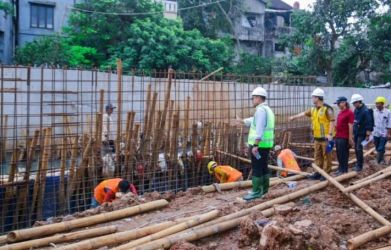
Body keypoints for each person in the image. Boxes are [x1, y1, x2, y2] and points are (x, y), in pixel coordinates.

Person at [289, 88, 335, 180]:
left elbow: (332, 121)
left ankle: (325, 174)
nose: (312, 99)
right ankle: (318, 172)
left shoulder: (327, 109)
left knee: (326, 156)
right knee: (317, 156)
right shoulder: (313, 109)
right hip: (317, 138)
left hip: (326, 138)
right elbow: (304, 113)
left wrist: (330, 134)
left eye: (313, 97)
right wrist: (294, 117)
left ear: (318, 98)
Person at [238, 87, 275, 201]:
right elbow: (254, 120)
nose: (252, 100)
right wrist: (243, 121)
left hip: (259, 145)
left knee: (257, 167)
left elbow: (259, 127)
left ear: (259, 98)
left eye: (253, 98)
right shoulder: (267, 109)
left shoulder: (260, 110)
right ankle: (263, 189)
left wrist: (255, 145)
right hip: (266, 144)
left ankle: (256, 192)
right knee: (263, 167)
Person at [351, 94, 373, 171]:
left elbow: (369, 123)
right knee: (356, 149)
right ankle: (358, 163)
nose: (353, 105)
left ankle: (359, 165)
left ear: (358, 102)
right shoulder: (356, 110)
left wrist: (367, 134)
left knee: (359, 148)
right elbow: (355, 121)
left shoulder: (365, 111)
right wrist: (353, 132)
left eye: (354, 103)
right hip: (357, 132)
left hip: (362, 133)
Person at [334, 96, 354, 175]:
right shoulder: (340, 113)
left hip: (344, 137)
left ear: (344, 103)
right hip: (338, 136)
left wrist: (350, 138)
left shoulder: (349, 113)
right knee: (339, 154)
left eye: (339, 103)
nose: (338, 105)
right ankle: (340, 168)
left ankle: (344, 170)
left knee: (344, 154)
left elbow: (350, 126)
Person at [373, 96, 391, 164]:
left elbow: (389, 124)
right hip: (376, 132)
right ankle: (382, 159)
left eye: (378, 103)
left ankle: (377, 161)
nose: (377, 105)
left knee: (381, 147)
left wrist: (389, 133)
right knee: (377, 147)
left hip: (384, 133)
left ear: (382, 104)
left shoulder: (388, 112)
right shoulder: (374, 111)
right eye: (376, 103)